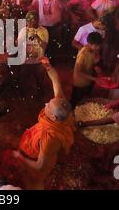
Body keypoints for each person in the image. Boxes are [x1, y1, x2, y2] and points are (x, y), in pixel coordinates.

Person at [12, 59, 75, 190]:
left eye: (48, 105)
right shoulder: (62, 107)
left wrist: (20, 157)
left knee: (34, 180)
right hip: (40, 152)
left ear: (53, 116)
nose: (46, 104)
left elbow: (39, 165)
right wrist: (47, 66)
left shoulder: (50, 138)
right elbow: (55, 80)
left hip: (38, 161)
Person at [17, 11, 49, 98]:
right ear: (27, 21)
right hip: (26, 62)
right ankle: (22, 96)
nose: (32, 21)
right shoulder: (23, 30)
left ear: (38, 20)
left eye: (35, 19)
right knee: (23, 80)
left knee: (39, 81)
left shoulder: (43, 31)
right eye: (30, 20)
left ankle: (40, 96)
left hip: (39, 62)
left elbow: (44, 46)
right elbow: (18, 45)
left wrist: (36, 37)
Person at [70, 32, 103, 108]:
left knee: (84, 96)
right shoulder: (82, 54)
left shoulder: (93, 50)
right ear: (89, 43)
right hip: (80, 82)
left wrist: (95, 66)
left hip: (88, 78)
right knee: (76, 100)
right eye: (96, 46)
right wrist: (94, 79)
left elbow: (93, 60)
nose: (98, 48)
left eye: (99, 46)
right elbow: (78, 72)